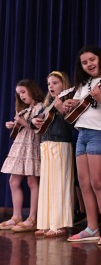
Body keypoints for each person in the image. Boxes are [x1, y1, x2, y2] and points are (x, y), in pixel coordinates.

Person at [63, 45, 101, 245]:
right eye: (84, 62)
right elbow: (80, 106)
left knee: (98, 181)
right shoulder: (83, 84)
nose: (89, 64)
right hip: (82, 133)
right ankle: (91, 227)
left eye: (92, 59)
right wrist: (70, 104)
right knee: (84, 182)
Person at [31, 71, 74, 237]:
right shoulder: (45, 104)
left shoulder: (68, 100)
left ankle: (60, 223)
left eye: (55, 83)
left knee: (59, 184)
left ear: (64, 84)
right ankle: (45, 222)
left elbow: (74, 123)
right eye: (49, 84)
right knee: (47, 185)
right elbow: (35, 121)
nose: (51, 86)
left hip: (61, 144)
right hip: (46, 145)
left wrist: (61, 109)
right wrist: (33, 121)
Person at [0, 79, 44, 232]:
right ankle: (16, 215)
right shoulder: (24, 110)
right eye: (19, 94)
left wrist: (23, 122)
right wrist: (14, 125)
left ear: (32, 90)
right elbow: (22, 127)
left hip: (32, 145)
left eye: (24, 92)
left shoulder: (40, 107)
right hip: (20, 146)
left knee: (32, 181)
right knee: (13, 180)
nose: (22, 96)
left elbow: (37, 128)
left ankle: (33, 217)